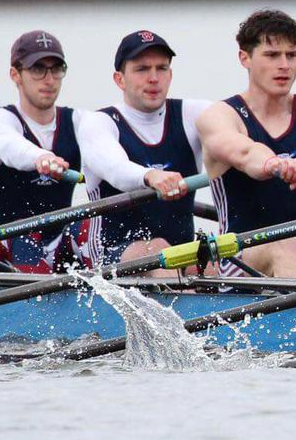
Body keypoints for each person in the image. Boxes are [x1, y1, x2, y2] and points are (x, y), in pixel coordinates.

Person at [198, 10, 296, 279]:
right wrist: (273, 164)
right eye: (272, 55)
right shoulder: (220, 116)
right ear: (244, 58)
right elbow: (245, 153)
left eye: (292, 55)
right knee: (284, 246)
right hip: (239, 255)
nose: (284, 65)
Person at [78, 30, 210, 273]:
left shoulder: (193, 114)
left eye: (161, 68)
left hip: (179, 255)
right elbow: (115, 169)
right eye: (141, 69)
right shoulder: (98, 122)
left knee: (218, 261)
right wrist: (150, 177)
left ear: (170, 75)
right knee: (157, 249)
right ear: (120, 79)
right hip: (110, 259)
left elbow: (236, 137)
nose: (153, 78)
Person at [0, 30, 84, 272]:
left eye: (56, 69)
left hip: (57, 251)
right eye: (38, 69)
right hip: (2, 258)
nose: (49, 79)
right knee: (25, 235)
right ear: (15, 75)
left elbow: (109, 152)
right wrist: (41, 157)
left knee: (92, 222)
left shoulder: (79, 122)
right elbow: (11, 147)